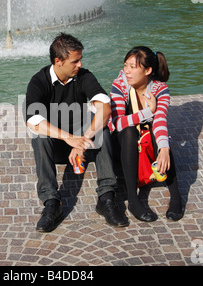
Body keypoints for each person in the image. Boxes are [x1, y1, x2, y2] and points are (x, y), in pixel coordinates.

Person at [25, 33, 128, 232]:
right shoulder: (39, 81)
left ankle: (106, 198)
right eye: (75, 61)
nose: (80, 65)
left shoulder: (84, 77)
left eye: (80, 60)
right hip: (57, 148)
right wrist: (69, 138)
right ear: (58, 61)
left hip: (85, 146)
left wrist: (82, 140)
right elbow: (33, 121)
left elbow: (105, 108)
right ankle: (51, 203)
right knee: (40, 134)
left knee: (102, 129)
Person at [109, 46, 184, 222]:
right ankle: (133, 200)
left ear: (148, 70)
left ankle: (176, 196)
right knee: (128, 131)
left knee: (162, 139)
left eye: (132, 67)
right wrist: (147, 113)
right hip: (121, 145)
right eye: (125, 65)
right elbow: (117, 123)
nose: (126, 71)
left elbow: (159, 121)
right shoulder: (119, 85)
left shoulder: (159, 89)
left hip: (145, 144)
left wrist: (164, 149)